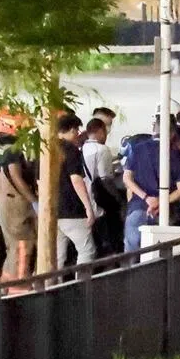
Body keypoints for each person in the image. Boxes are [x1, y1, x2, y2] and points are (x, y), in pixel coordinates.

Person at [122, 122, 180, 252]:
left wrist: (147, 198)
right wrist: (160, 201)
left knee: (131, 255)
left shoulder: (137, 149)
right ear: (172, 134)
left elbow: (127, 178)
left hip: (138, 206)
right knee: (159, 255)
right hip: (164, 212)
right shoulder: (177, 156)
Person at [0, 111, 37, 285]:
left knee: (12, 247)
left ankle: (5, 286)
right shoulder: (13, 153)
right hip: (16, 203)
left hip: (3, 203)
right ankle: (20, 285)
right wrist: (33, 200)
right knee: (23, 245)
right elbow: (16, 177)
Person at [54, 113, 97, 267]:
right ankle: (81, 286)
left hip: (52, 210)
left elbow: (39, 181)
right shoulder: (71, 151)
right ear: (72, 130)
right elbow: (76, 180)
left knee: (57, 256)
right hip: (72, 209)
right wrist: (88, 207)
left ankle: (52, 287)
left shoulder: (46, 150)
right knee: (87, 250)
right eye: (77, 130)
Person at [81, 116, 124, 255]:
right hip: (98, 202)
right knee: (107, 240)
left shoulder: (81, 149)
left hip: (82, 199)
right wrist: (118, 198)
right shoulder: (102, 149)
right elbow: (105, 178)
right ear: (100, 131)